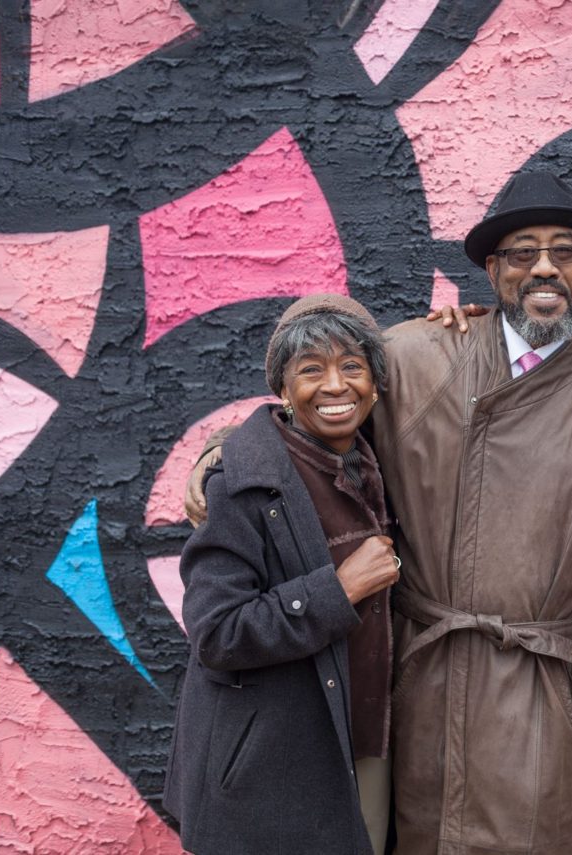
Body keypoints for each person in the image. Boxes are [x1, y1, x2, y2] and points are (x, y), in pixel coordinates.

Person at [186, 172, 572, 854]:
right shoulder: (416, 358)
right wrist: (222, 451)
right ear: (491, 271)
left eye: (566, 251)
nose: (544, 267)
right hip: (422, 684)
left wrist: (559, 606)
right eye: (522, 252)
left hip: (551, 695)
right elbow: (318, 419)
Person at [165, 294, 401, 854]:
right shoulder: (240, 485)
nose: (336, 386)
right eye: (311, 370)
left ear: (375, 383)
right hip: (272, 768)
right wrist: (338, 589)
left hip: (365, 745)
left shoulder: (379, 462)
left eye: (352, 366)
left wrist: (469, 318)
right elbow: (218, 633)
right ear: (284, 388)